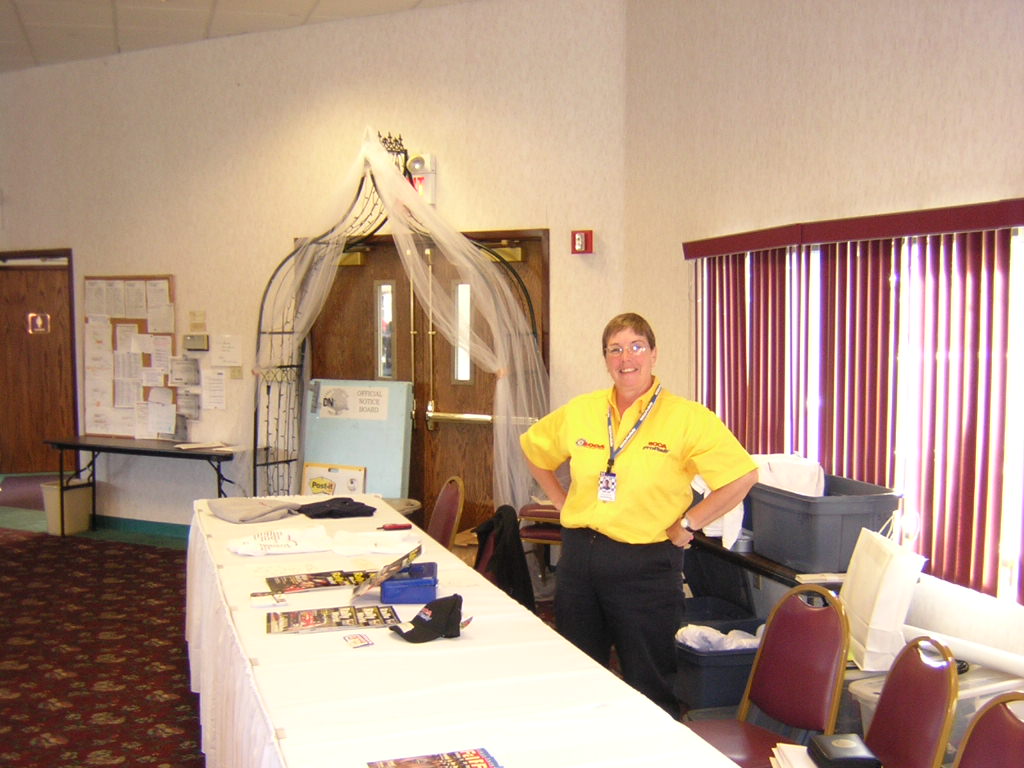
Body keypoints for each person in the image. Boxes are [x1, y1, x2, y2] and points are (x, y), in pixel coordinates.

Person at [519, 312, 758, 716]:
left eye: (636, 347)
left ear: (653, 354)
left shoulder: (687, 417)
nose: (625, 358)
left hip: (645, 567)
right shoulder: (583, 410)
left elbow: (742, 476)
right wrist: (562, 502)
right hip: (579, 560)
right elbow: (534, 449)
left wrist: (690, 524)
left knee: (650, 684)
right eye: (615, 349)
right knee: (579, 677)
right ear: (605, 359)